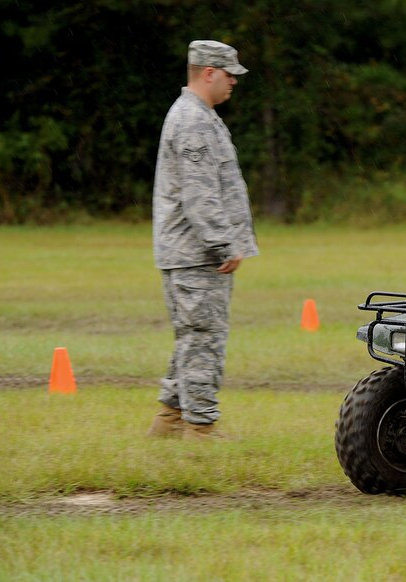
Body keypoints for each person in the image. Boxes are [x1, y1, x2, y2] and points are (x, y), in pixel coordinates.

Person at [147, 40, 259, 440]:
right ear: (208, 72)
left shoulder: (198, 115)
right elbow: (200, 194)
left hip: (191, 252)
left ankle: (168, 422)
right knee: (204, 341)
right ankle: (201, 430)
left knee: (192, 338)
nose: (233, 82)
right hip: (198, 254)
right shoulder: (193, 120)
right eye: (228, 74)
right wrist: (223, 243)